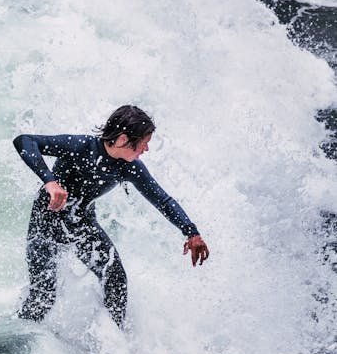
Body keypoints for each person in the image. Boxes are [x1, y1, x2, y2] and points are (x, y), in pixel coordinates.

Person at [13, 105, 209, 327]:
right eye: (144, 143)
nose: (146, 149)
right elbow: (25, 141)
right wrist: (49, 181)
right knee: (43, 295)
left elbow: (162, 199)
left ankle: (114, 346)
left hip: (81, 225)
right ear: (124, 139)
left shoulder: (129, 168)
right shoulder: (80, 146)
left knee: (115, 279)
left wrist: (191, 232)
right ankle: (18, 336)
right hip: (45, 224)